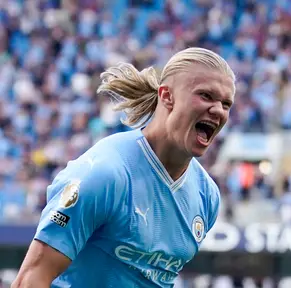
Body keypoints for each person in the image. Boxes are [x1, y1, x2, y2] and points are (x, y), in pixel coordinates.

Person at [11, 47, 236, 288]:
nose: (218, 111)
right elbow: (30, 280)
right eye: (206, 96)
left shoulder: (206, 197)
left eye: (226, 103)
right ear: (167, 96)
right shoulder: (105, 175)